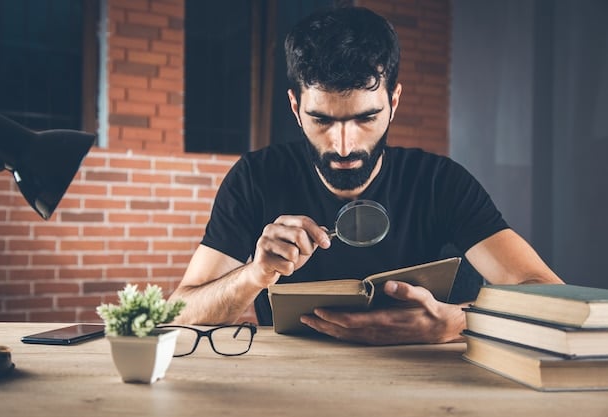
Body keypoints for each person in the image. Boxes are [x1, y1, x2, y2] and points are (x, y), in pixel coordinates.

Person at [169, 6, 563, 345]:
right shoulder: (255, 178)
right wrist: (254, 274)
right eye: (321, 119)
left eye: (366, 117)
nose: (343, 145)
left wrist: (459, 323)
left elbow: (551, 295)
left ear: (393, 101)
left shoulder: (441, 182)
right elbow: (176, 314)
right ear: (294, 107)